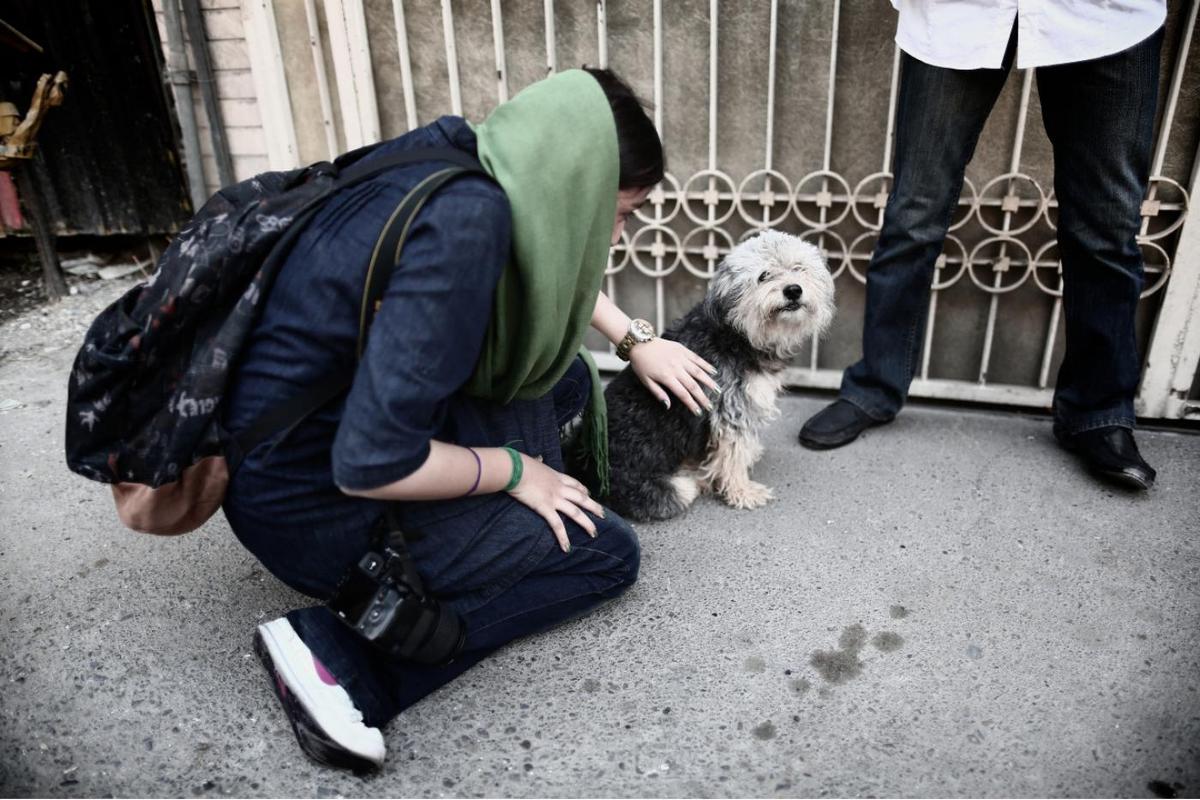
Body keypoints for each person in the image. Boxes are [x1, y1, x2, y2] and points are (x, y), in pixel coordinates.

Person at [221, 68, 719, 771]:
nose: (614, 230)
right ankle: (338, 660)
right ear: (574, 180)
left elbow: (548, 280)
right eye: (621, 209)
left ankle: (510, 520)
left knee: (569, 379)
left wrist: (635, 341)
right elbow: (370, 463)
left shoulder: (459, 160)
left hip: (277, 439)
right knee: (605, 554)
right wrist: (517, 471)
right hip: (311, 503)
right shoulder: (463, 246)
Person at [799, 1, 1165, 491]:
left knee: (1106, 227)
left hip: (1105, 18)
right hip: (959, 14)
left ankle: (1099, 414)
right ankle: (874, 389)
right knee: (914, 215)